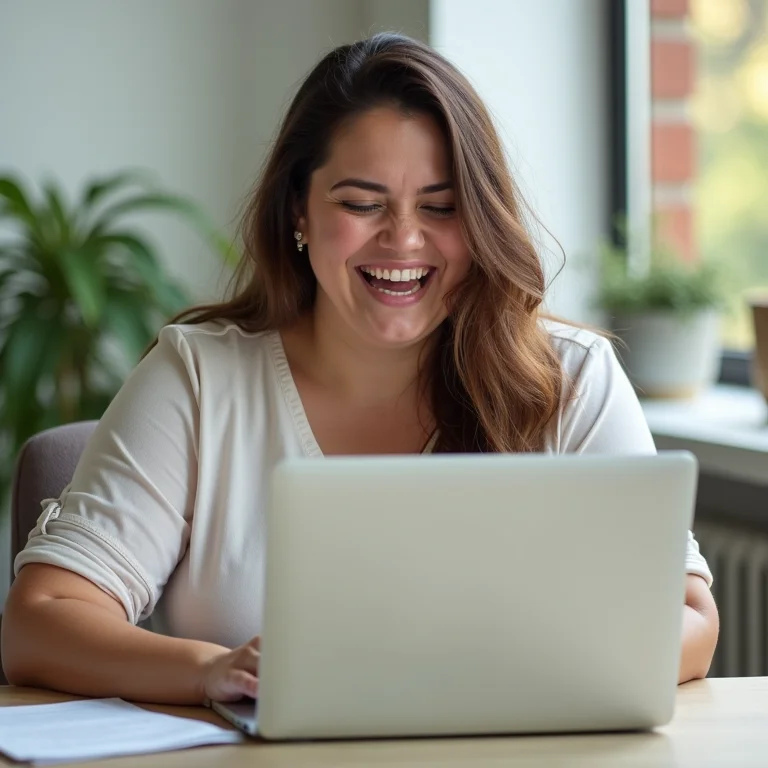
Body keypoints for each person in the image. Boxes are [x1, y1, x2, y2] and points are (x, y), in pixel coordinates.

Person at [1, 33, 718, 705]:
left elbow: (688, 620)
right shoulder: (198, 379)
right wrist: (215, 670)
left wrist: (510, 675)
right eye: (361, 203)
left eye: (441, 207)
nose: (403, 238)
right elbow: (40, 622)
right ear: (298, 212)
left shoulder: (570, 382)